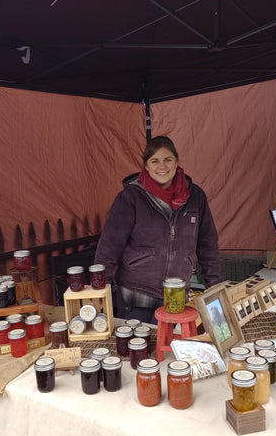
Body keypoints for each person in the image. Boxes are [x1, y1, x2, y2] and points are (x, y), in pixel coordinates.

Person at [94, 135, 222, 323]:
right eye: (155, 161)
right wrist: (100, 289)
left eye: (167, 159)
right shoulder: (131, 197)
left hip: (176, 296)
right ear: (146, 166)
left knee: (170, 349)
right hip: (136, 297)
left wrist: (215, 286)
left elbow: (208, 246)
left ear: (177, 162)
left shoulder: (195, 197)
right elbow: (109, 245)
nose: (162, 166)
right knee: (140, 348)